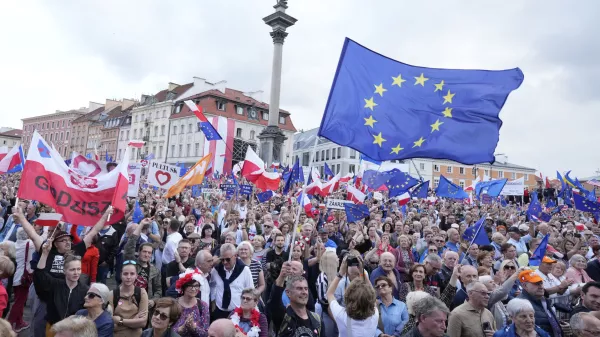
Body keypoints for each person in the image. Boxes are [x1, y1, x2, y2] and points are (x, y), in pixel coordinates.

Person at [33, 237, 88, 333]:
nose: (76, 273)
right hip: (53, 328)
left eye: (78, 269)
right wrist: (45, 254)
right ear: (64, 271)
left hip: (74, 331)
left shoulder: (85, 290)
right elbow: (40, 274)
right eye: (72, 269)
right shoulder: (55, 285)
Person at [326, 256, 379, 337]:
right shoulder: (374, 316)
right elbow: (373, 297)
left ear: (347, 297)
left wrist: (340, 273)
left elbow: (329, 294)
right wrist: (362, 272)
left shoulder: (341, 315)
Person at [269, 270, 321, 337]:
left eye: (306, 289)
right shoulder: (283, 316)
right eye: (299, 288)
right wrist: (281, 276)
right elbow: (274, 301)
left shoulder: (317, 320)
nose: (304, 292)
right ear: (288, 293)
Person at [123, 219, 161, 309]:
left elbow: (158, 290)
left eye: (149, 253)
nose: (146, 254)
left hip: (145, 304)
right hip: (127, 301)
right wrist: (141, 224)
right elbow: (130, 244)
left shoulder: (155, 270)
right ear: (139, 252)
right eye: (144, 251)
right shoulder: (132, 263)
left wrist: (153, 300)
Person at [210, 243, 254, 320]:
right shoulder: (216, 270)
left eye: (227, 259)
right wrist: (213, 300)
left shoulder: (244, 270)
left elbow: (251, 291)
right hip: (219, 311)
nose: (225, 262)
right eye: (222, 259)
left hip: (238, 313)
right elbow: (212, 285)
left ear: (235, 256)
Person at [517, 269, 563, 337]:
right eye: (536, 283)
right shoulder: (521, 304)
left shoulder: (542, 299)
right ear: (525, 286)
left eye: (541, 283)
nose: (541, 286)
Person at [109, 261, 149, 337]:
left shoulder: (141, 293)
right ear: (121, 275)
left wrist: (120, 321)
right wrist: (135, 320)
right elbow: (110, 324)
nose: (128, 277)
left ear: (136, 275)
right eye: (125, 274)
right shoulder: (112, 294)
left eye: (132, 274)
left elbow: (143, 323)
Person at [173, 268, 210, 336]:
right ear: (183, 287)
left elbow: (206, 333)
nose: (193, 289)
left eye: (196, 286)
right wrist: (182, 328)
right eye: (190, 285)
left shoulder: (203, 305)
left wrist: (194, 327)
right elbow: (167, 330)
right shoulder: (174, 304)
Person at [7, 228, 30, 332]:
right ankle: (9, 324)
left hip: (16, 277)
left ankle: (19, 322)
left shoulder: (15, 244)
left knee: (19, 300)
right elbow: (41, 239)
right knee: (19, 302)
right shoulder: (29, 244)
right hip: (23, 278)